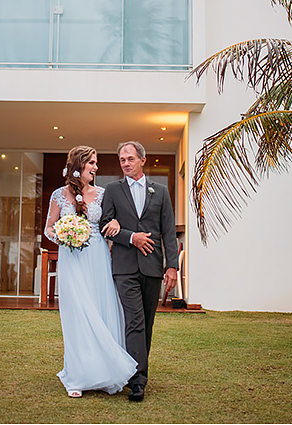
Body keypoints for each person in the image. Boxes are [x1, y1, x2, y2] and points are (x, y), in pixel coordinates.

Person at [44, 146, 138, 398]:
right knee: (78, 313)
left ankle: (106, 372)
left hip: (97, 257)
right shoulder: (59, 195)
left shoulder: (104, 194)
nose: (96, 168)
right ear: (79, 164)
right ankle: (78, 375)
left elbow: (111, 221)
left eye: (96, 164)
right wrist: (64, 236)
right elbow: (48, 229)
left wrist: (116, 222)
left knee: (99, 309)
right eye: (92, 163)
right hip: (71, 259)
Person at [100, 141, 179, 402]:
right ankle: (137, 381)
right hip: (124, 267)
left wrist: (172, 266)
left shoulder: (161, 191)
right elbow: (104, 224)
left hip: (153, 267)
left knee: (147, 322)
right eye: (122, 159)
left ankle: (136, 371)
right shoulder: (112, 190)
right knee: (134, 320)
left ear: (142, 160)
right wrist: (131, 237)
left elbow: (168, 231)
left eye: (130, 158)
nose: (125, 163)